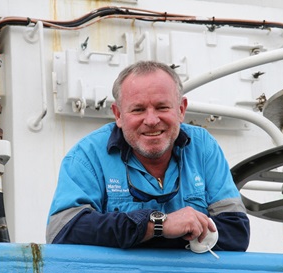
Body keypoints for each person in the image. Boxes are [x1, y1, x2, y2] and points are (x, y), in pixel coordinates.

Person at [46, 60, 250, 251]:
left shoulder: (204, 148)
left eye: (162, 107)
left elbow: (236, 232)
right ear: (118, 115)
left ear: (181, 109)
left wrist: (137, 235)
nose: (151, 120)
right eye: (138, 109)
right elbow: (63, 231)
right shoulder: (87, 156)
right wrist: (158, 225)